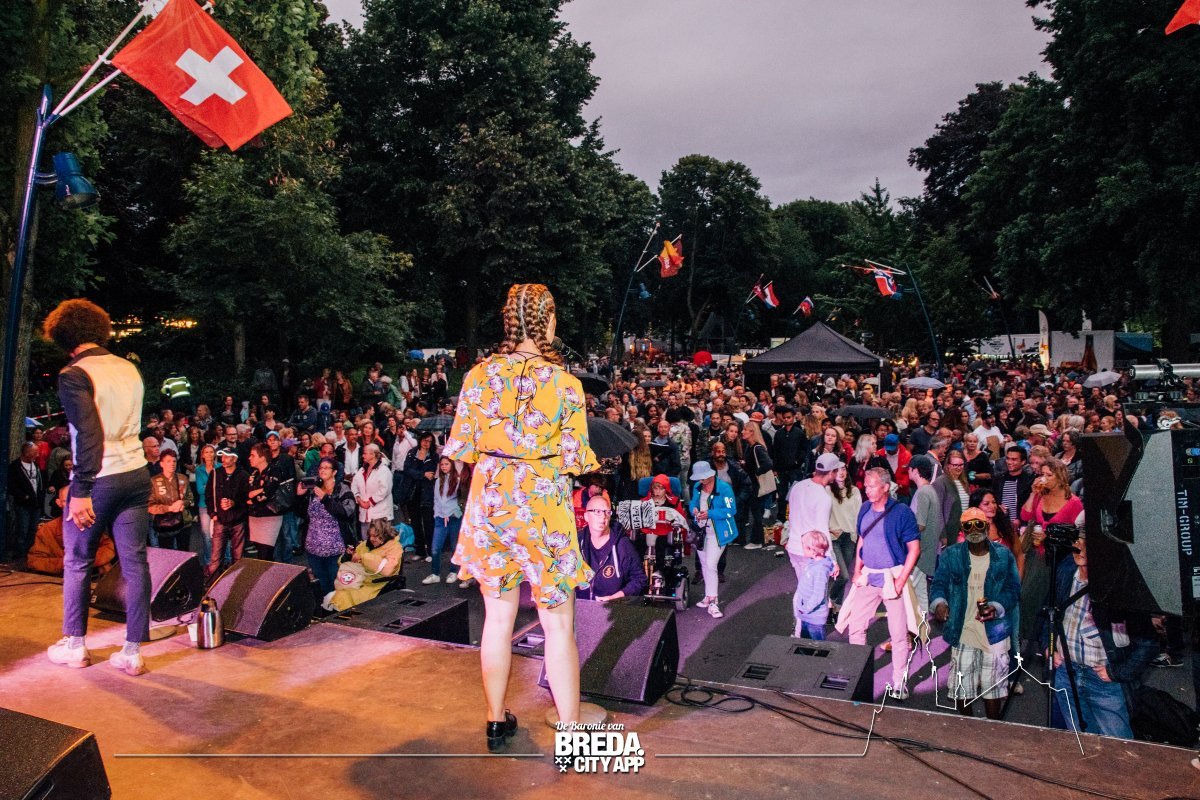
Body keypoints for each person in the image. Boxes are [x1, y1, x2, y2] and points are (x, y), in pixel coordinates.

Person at [443, 283, 599, 748]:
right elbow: (576, 460)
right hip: (542, 506)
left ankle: (495, 721)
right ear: (547, 321)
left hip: (491, 503)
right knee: (558, 625)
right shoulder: (565, 384)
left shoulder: (478, 376)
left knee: (497, 619)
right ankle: (572, 736)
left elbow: (463, 449)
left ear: (509, 321)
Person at [43, 299, 152, 676]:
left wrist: (80, 490)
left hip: (99, 476)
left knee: (77, 560)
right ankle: (132, 652)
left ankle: (75, 645)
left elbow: (89, 435)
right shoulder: (128, 368)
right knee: (135, 561)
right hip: (136, 472)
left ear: (64, 336)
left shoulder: (74, 374)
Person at [1051, 526, 1157, 739]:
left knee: (1117, 745)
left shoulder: (1119, 586)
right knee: (1081, 742)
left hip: (1103, 681)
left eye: (1087, 543)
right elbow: (1048, 611)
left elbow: (1149, 643)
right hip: (1066, 673)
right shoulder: (1065, 570)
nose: (1079, 547)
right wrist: (1050, 645)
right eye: (1077, 540)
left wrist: (1117, 672)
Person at [835, 467, 922, 700]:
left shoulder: (902, 512)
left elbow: (914, 549)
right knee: (856, 626)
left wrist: (900, 580)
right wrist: (857, 570)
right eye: (866, 485)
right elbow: (862, 540)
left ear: (885, 487)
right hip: (868, 577)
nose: (867, 489)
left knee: (899, 633)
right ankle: (858, 677)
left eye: (872, 486)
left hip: (892, 578)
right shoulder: (865, 508)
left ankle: (899, 683)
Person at [930, 507, 1021, 720]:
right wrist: (940, 604)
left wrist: (996, 606)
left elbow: (1013, 589)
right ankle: (969, 728)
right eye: (968, 526)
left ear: (987, 527)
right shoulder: (951, 555)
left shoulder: (1003, 555)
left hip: (995, 632)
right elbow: (938, 585)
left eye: (978, 524)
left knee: (993, 688)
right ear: (962, 530)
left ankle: (992, 729)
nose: (974, 530)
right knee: (961, 688)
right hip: (963, 630)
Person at [297, 457, 357, 597]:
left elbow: (346, 513)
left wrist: (325, 499)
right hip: (313, 546)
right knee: (321, 584)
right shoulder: (313, 489)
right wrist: (300, 496)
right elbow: (302, 514)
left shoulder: (342, 490)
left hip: (335, 548)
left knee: (336, 584)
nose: (322, 470)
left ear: (334, 472)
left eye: (326, 468)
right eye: (321, 468)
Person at [689, 461, 738, 618]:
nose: (701, 481)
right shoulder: (697, 487)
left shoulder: (724, 488)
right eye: (699, 478)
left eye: (703, 477)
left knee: (710, 564)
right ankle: (708, 596)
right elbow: (692, 502)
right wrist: (693, 509)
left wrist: (710, 514)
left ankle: (713, 601)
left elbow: (731, 510)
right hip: (701, 532)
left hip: (719, 532)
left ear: (711, 474)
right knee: (704, 564)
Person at [577, 493, 646, 602]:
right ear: (586, 516)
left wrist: (613, 598)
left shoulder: (623, 545)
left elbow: (639, 580)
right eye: (597, 512)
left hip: (613, 606)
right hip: (581, 606)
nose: (603, 517)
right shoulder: (577, 542)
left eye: (607, 512)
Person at [908, 454, 943, 617]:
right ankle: (922, 626)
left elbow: (920, 524)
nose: (908, 472)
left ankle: (916, 625)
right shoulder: (931, 490)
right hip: (929, 548)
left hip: (920, 549)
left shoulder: (922, 493)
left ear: (915, 471)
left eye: (909, 469)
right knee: (920, 590)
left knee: (913, 589)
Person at [207, 447, 249, 580]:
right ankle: (213, 585)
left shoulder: (244, 475)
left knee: (238, 557)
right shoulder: (215, 473)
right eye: (222, 456)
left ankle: (236, 584)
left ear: (234, 459)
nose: (223, 459)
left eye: (226, 456)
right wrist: (212, 514)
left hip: (238, 521)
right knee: (215, 558)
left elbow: (247, 498)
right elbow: (209, 495)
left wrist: (234, 503)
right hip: (220, 519)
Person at [424, 456, 466, 585]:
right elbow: (437, 499)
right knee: (435, 548)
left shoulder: (457, 480)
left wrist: (456, 512)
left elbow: (460, 498)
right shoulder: (438, 481)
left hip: (454, 517)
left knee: (454, 547)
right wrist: (437, 514)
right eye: (442, 464)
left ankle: (454, 571)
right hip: (440, 518)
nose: (444, 467)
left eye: (446, 464)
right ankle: (435, 574)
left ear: (451, 465)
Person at [792, 530, 836, 640]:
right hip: (806, 615)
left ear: (813, 550)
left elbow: (818, 596)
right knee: (805, 644)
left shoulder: (820, 570)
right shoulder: (813, 563)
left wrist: (805, 609)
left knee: (818, 646)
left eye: (804, 546)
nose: (802, 548)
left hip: (814, 618)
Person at [246, 443, 284, 562]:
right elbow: (248, 494)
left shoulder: (274, 471)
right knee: (260, 552)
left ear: (262, 457)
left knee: (265, 553)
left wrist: (255, 494)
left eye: (252, 455)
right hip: (255, 516)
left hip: (269, 516)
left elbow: (267, 493)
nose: (249, 458)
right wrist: (259, 491)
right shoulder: (254, 473)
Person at [7, 441, 44, 561]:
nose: (37, 455)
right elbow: (11, 486)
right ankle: (19, 554)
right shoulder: (15, 467)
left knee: (33, 529)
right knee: (22, 529)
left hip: (36, 503)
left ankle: (29, 552)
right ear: (27, 453)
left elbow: (40, 482)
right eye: (35, 452)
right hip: (23, 504)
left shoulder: (36, 466)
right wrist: (23, 496)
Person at [401, 432, 436, 557]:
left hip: (426, 493)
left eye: (430, 441)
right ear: (420, 440)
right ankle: (420, 551)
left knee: (428, 523)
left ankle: (431, 551)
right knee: (415, 523)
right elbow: (407, 469)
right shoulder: (412, 453)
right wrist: (422, 474)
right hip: (412, 492)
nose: (427, 443)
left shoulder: (433, 456)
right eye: (425, 440)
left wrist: (417, 474)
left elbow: (430, 474)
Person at [148, 450, 192, 550]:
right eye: (168, 461)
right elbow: (150, 506)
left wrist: (183, 503)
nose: (172, 464)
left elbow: (191, 499)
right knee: (167, 554)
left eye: (174, 461)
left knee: (184, 553)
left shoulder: (183, 478)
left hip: (184, 522)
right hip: (164, 524)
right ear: (161, 464)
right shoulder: (154, 481)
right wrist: (169, 508)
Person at [739, 420, 774, 549]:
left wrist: (756, 473)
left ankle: (757, 540)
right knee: (756, 512)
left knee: (756, 513)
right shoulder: (750, 447)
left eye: (745, 430)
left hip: (756, 485)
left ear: (752, 432)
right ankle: (758, 539)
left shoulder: (757, 448)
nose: (742, 432)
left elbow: (768, 464)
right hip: (753, 485)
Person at [351, 443, 393, 543]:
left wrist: (369, 502)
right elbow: (354, 484)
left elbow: (384, 490)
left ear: (373, 454)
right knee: (366, 543)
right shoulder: (362, 469)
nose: (363, 456)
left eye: (365, 453)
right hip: (364, 515)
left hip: (380, 515)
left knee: (381, 544)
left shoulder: (384, 470)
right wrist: (358, 498)